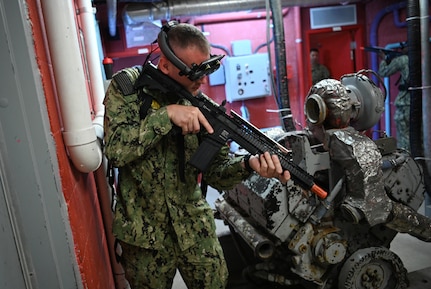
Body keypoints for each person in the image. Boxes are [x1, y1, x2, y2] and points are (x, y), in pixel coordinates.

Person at [103, 21, 290, 289]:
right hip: (144, 237)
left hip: (194, 230)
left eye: (205, 70)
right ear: (166, 65)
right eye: (193, 73)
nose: (201, 80)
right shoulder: (128, 89)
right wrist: (165, 116)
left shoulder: (201, 105)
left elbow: (217, 173)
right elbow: (116, 150)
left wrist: (250, 164)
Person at [378, 45, 409, 151]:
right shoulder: (424, 58)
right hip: (422, 101)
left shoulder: (404, 60)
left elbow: (383, 72)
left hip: (405, 102)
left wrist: (385, 59)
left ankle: (407, 161)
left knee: (403, 135)